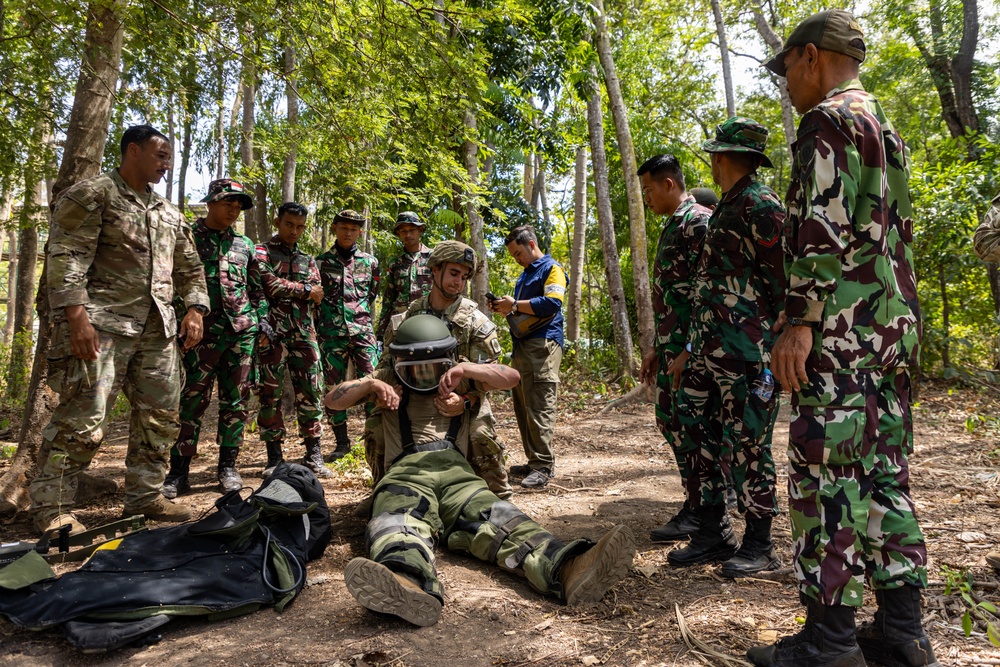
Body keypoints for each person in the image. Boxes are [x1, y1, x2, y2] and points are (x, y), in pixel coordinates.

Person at [752, 10, 940, 667]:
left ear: (810, 56)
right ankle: (901, 633)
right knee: (884, 475)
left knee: (826, 472)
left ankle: (829, 640)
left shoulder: (829, 121)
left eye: (785, 68)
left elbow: (823, 226)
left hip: (841, 332)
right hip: (890, 334)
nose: (785, 84)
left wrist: (801, 321)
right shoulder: (884, 125)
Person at [328, 314, 636, 627]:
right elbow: (333, 401)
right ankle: (406, 580)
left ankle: (566, 568)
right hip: (405, 475)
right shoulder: (385, 378)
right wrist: (371, 383)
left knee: (502, 519)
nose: (423, 376)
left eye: (433, 368)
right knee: (397, 521)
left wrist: (465, 371)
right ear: (398, 364)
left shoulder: (461, 376)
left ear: (447, 360)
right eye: (414, 370)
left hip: (458, 475)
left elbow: (511, 377)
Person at [30, 124, 209, 535]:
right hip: (100, 326)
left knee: (160, 418)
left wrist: (195, 308)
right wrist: (76, 317)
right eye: (160, 156)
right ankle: (52, 507)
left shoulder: (168, 212)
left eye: (169, 158)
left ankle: (145, 497)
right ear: (133, 151)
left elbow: (190, 267)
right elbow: (66, 256)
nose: (167, 165)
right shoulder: (93, 195)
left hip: (157, 331)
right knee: (83, 419)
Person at [666, 118, 786, 580]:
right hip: (706, 349)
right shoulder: (726, 206)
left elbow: (782, 282)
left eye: (714, 155)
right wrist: (689, 346)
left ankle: (759, 544)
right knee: (695, 432)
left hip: (746, 353)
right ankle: (712, 529)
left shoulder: (761, 204)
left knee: (748, 445)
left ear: (724, 157)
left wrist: (775, 347)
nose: (712, 162)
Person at [371, 240, 513, 498]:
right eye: (454, 273)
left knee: (480, 432)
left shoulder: (475, 322)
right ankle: (383, 488)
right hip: (413, 399)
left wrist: (466, 401)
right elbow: (387, 366)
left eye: (464, 277)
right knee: (376, 426)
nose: (459, 282)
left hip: (463, 398)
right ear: (435, 270)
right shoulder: (408, 318)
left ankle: (497, 492)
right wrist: (384, 394)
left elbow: (492, 377)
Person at [163, 179, 267, 498]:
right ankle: (178, 473)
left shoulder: (245, 245)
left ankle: (228, 468)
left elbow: (257, 289)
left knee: (236, 402)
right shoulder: (187, 238)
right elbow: (169, 281)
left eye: (237, 207)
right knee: (191, 401)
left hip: (240, 333)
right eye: (227, 204)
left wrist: (261, 321)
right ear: (210, 203)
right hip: (200, 335)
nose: (233, 211)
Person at [636, 154, 712, 544]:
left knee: (694, 430)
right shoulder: (674, 225)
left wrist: (690, 349)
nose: (646, 198)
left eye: (648, 190)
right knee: (672, 423)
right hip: (671, 348)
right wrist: (656, 347)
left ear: (668, 184)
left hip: (693, 353)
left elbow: (709, 292)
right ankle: (696, 503)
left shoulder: (698, 222)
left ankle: (704, 512)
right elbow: (670, 297)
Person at [255, 202, 328, 478]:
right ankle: (274, 457)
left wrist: (304, 290)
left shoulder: (307, 259)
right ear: (277, 222)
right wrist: (305, 289)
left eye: (300, 227)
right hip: (272, 333)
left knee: (311, 390)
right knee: (269, 392)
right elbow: (268, 284)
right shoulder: (262, 251)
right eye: (289, 224)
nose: (294, 231)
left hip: (304, 333)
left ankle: (314, 452)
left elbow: (318, 293)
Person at [491, 226, 567, 489]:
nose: (517, 259)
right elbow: (525, 312)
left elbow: (552, 303)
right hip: (523, 345)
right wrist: (505, 309)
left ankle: (543, 465)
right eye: (513, 256)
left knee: (539, 403)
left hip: (543, 345)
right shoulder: (525, 275)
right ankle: (534, 460)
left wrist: (513, 304)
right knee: (524, 405)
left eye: (518, 253)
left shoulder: (552, 268)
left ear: (531, 244)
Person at [315, 209, 381, 461]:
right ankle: (341, 443)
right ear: (334, 228)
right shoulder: (320, 262)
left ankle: (374, 437)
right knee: (333, 388)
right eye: (343, 227)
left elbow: (371, 293)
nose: (348, 232)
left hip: (363, 332)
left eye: (353, 229)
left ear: (360, 232)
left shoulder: (370, 262)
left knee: (373, 383)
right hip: (331, 334)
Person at [375, 211, 433, 340]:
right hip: (401, 322)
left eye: (412, 230)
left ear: (420, 230)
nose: (408, 235)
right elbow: (389, 298)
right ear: (398, 234)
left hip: (428, 320)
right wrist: (381, 333)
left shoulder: (433, 258)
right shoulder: (395, 263)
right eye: (403, 231)